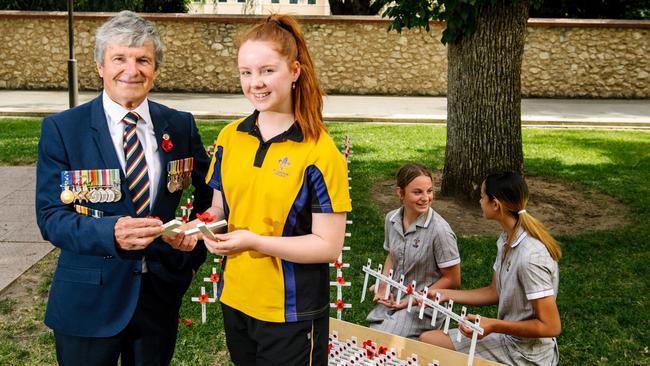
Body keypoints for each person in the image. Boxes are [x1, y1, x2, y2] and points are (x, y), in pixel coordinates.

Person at [35, 11, 213, 366]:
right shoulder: (63, 130)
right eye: (119, 58)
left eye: (143, 60)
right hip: (88, 301)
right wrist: (110, 232)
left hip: (158, 296)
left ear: (155, 69)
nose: (131, 70)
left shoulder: (178, 126)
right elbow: (51, 217)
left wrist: (191, 256)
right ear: (100, 66)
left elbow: (211, 194)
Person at [199, 14, 351, 366]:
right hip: (236, 298)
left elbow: (327, 246)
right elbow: (220, 207)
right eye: (246, 72)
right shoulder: (230, 137)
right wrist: (203, 225)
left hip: (291, 312)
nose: (256, 83)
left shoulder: (320, 152)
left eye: (268, 70)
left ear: (295, 71)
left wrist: (254, 241)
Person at [419, 171, 562, 365]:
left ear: (495, 204)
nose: (479, 201)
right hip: (507, 338)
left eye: (482, 196)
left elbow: (551, 326)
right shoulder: (506, 238)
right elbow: (494, 291)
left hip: (527, 353)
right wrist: (443, 294)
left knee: (429, 344)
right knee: (429, 340)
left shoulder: (531, 257)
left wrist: (493, 325)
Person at [366, 163, 461, 339]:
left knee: (380, 339)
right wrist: (384, 283)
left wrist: (413, 299)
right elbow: (392, 255)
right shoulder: (391, 219)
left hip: (424, 305)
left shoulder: (440, 231)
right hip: (395, 297)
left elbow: (453, 279)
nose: (426, 198)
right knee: (372, 332)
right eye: (418, 192)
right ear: (400, 193)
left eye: (429, 191)